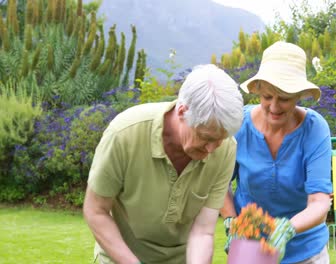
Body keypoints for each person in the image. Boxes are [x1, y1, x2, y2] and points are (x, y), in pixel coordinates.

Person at [83, 64, 244, 264]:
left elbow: (202, 231)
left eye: (220, 139)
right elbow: (95, 210)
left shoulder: (226, 149)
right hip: (120, 257)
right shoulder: (124, 134)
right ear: (182, 112)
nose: (212, 149)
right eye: (205, 137)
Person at [221, 41, 332, 264]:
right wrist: (231, 221)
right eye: (267, 97)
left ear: (299, 95)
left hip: (306, 251)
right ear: (258, 90)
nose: (274, 106)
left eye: (284, 99)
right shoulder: (239, 126)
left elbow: (319, 202)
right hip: (249, 249)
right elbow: (218, 183)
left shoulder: (314, 129)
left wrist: (288, 228)